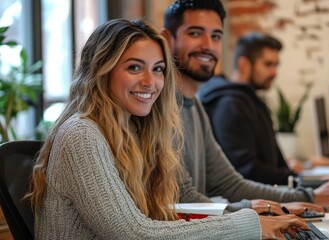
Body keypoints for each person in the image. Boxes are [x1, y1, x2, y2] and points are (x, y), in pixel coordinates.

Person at [26, 18, 309, 239]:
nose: (151, 82)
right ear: (102, 70)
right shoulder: (82, 135)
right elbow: (133, 233)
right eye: (135, 68)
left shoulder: (135, 131)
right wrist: (249, 225)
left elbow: (171, 206)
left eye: (158, 69)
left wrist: (247, 213)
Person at [162, 0, 329, 214]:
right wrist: (252, 214)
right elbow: (183, 197)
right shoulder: (161, 107)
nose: (208, 45)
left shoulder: (195, 106)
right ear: (168, 39)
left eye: (216, 36)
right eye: (195, 33)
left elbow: (229, 183)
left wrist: (307, 197)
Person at [198, 32, 329, 186]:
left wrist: (301, 171)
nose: (274, 72)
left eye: (276, 65)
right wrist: (300, 180)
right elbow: (245, 170)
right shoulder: (230, 105)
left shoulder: (251, 101)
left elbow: (269, 161)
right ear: (244, 64)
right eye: (268, 64)